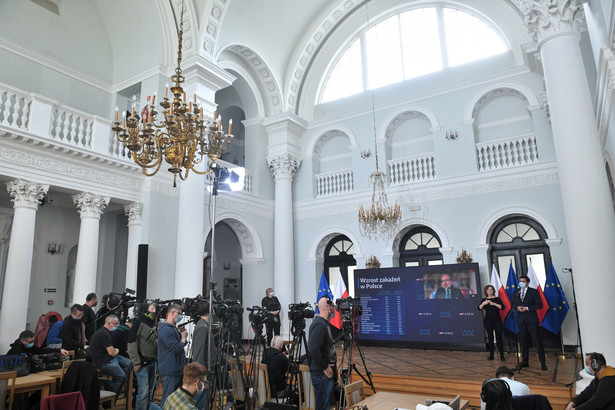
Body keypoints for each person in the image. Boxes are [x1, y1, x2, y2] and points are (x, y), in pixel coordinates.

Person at [89, 314, 132, 394]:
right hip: (103, 361)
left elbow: (111, 350)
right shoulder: (104, 334)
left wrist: (115, 350)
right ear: (109, 323)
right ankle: (110, 396)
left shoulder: (106, 332)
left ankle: (114, 383)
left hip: (109, 357)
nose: (117, 326)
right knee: (122, 378)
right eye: (115, 324)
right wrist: (117, 350)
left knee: (129, 363)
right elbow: (112, 353)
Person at [128, 302, 159, 410]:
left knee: (150, 391)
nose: (154, 311)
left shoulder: (153, 322)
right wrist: (136, 361)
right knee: (143, 393)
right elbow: (131, 341)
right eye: (152, 309)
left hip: (153, 361)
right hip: (142, 363)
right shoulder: (138, 321)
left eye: (155, 309)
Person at [512, 275, 547, 370]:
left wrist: (527, 308)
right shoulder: (516, 292)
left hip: (531, 319)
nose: (521, 283)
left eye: (523, 281)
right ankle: (524, 361)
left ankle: (543, 362)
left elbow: (540, 305)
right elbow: (513, 305)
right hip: (520, 319)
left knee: (537, 340)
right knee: (523, 341)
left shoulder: (533, 292)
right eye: (520, 281)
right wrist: (517, 308)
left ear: (527, 282)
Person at [308, 296, 336, 410]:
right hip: (322, 374)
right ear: (328, 307)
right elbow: (313, 348)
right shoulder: (320, 324)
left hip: (323, 374)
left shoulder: (323, 323)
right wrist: (325, 367)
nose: (335, 308)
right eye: (333, 306)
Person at [158, 304, 188, 407]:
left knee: (176, 400)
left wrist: (182, 335)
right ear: (171, 313)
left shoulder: (173, 328)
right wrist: (183, 338)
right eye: (179, 314)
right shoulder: (166, 329)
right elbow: (175, 348)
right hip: (170, 370)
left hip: (177, 369)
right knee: (168, 399)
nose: (180, 316)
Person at [478, 285, 505, 361]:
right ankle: (491, 355)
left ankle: (502, 355)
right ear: (486, 291)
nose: (490, 291)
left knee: (499, 338)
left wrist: (494, 304)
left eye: (491, 289)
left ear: (493, 291)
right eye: (488, 289)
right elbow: (479, 308)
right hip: (488, 321)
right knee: (490, 338)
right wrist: (484, 303)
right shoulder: (484, 299)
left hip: (497, 320)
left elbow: (502, 307)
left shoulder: (497, 299)